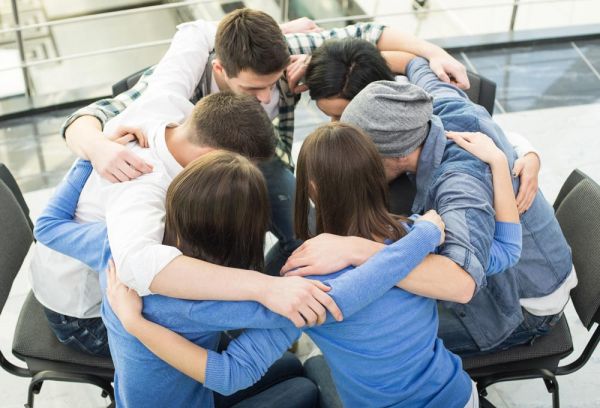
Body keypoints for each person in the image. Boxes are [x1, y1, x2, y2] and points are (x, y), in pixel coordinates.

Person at [60, 8, 470, 276]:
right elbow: (90, 117)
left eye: (273, 86)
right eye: (253, 89)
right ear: (220, 69)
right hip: (204, 171)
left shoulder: (284, 53)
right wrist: (98, 148)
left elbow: (370, 33)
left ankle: (285, 290)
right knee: (224, 252)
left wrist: (430, 54)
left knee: (307, 230)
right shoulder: (171, 86)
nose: (265, 98)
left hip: (264, 158)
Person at [31, 91, 342, 357]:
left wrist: (91, 148)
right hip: (84, 317)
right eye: (235, 169)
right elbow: (138, 267)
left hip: (86, 274)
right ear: (212, 155)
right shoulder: (139, 186)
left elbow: (192, 37)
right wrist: (267, 288)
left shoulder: (170, 105)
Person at [304, 56, 576, 356]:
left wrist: (356, 250)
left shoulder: (461, 185)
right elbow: (417, 62)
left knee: (358, 339)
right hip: (521, 259)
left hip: (523, 303)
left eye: (362, 163)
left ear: (397, 154)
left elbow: (460, 283)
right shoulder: (434, 103)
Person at [303, 38, 541, 215]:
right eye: (329, 116)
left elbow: (479, 133)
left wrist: (527, 154)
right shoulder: (370, 93)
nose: (336, 125)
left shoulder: (421, 110)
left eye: (340, 115)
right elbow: (412, 62)